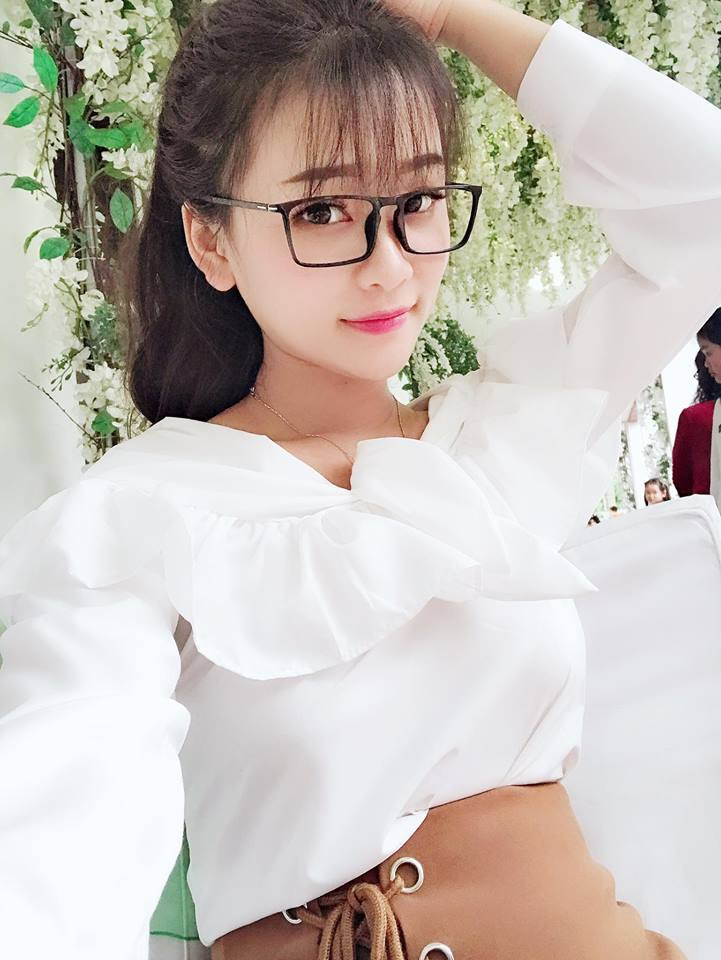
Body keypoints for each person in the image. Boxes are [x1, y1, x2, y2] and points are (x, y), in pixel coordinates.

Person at [2, 0, 721, 957]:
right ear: (211, 241)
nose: (389, 269)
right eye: (322, 211)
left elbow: (705, 203)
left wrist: (456, 17)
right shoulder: (134, 519)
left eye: (417, 201)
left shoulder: (504, 430)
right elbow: (57, 830)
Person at [673, 308, 721, 507]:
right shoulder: (713, 412)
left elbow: (683, 482)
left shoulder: (695, 417)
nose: (706, 363)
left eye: (708, 353)